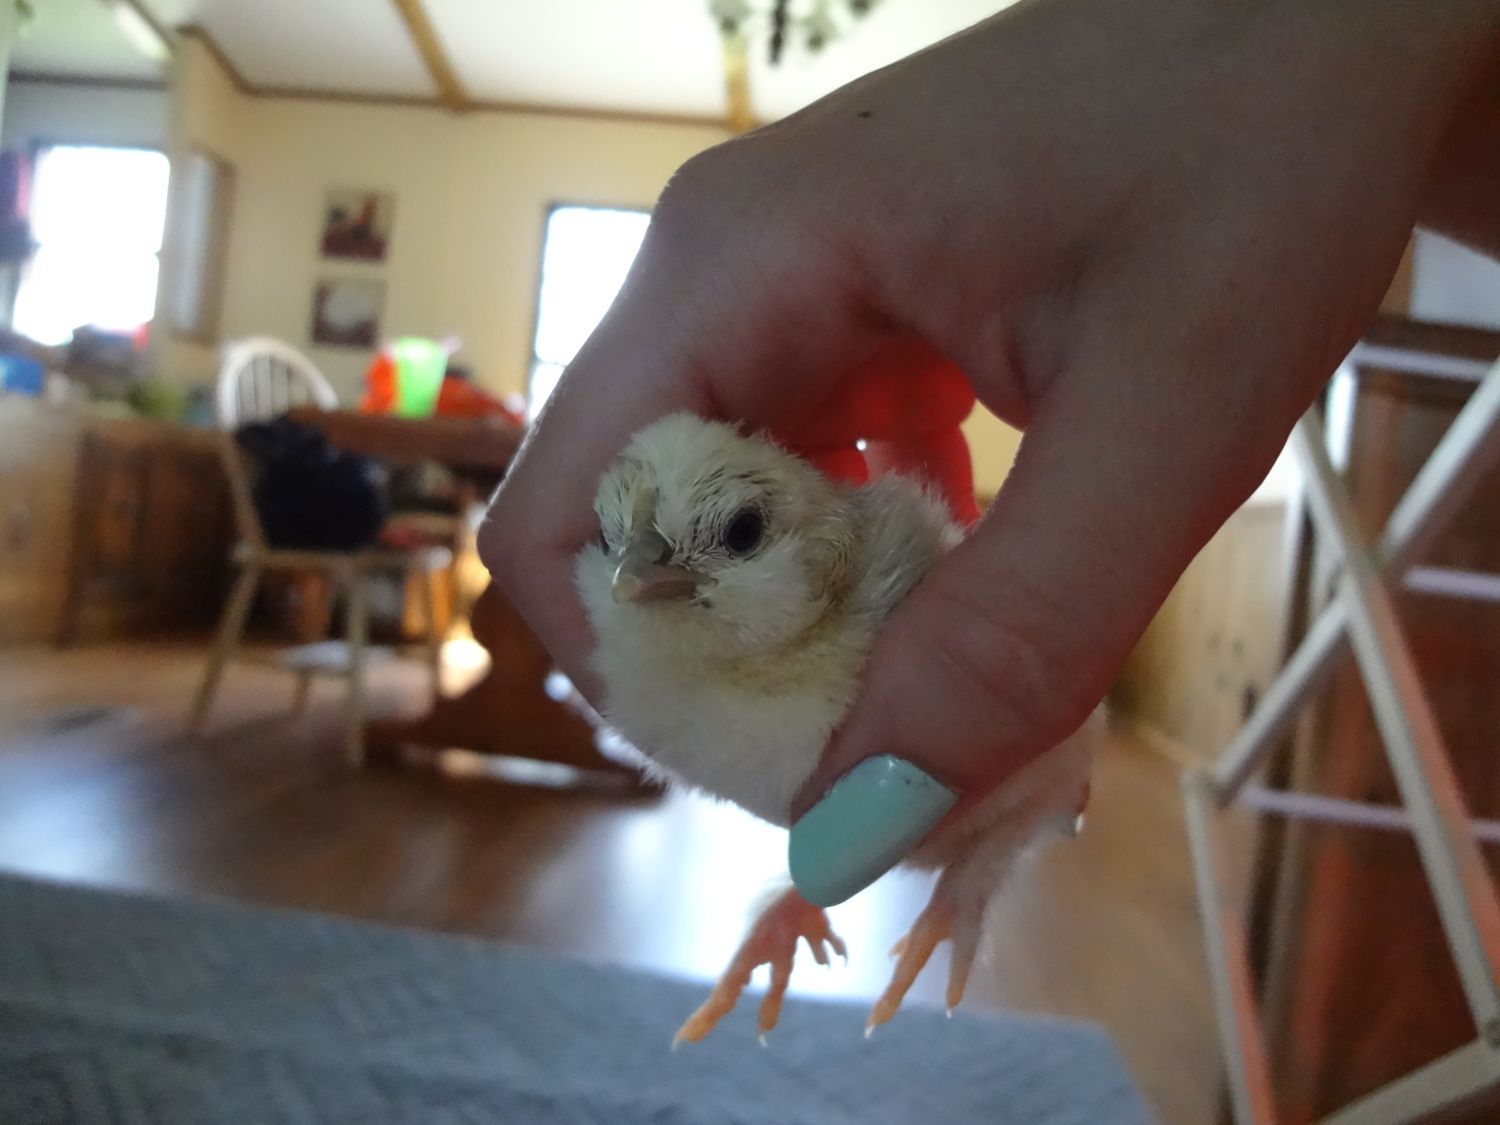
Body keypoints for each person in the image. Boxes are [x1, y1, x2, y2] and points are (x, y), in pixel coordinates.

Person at [481, 0, 1500, 893]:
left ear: (822, 556)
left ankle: (952, 890)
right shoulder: (672, 666)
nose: (641, 573)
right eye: (619, 542)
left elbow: (1019, 707)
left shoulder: (860, 598)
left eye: (739, 533)